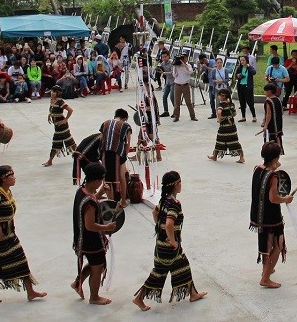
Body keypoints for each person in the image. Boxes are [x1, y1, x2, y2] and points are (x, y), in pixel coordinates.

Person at [132, 171, 207, 310]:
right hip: (169, 247)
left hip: (161, 245)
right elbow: (169, 224)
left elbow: (155, 213)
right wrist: (172, 240)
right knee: (158, 274)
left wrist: (159, 229)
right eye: (179, 182)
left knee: (183, 267)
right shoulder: (174, 203)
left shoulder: (164, 199)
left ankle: (193, 293)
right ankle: (138, 298)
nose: (181, 185)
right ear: (176, 185)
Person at [0, 165, 45, 304]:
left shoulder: (7, 193)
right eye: (12, 176)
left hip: (10, 234)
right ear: (3, 179)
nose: (14, 178)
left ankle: (30, 292)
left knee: (21, 261)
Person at [250, 142, 295, 289]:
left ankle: (266, 269)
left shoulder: (257, 169)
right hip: (271, 216)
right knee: (277, 245)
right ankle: (265, 278)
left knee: (265, 243)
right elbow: (273, 198)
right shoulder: (273, 176)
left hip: (258, 214)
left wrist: (275, 164)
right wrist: (286, 199)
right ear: (275, 158)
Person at [72, 161, 117, 305]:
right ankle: (94, 297)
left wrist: (100, 193)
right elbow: (90, 225)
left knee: (93, 264)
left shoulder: (82, 191)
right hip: (91, 241)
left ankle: (77, 283)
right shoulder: (90, 203)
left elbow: (91, 197)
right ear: (97, 180)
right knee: (97, 268)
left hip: (81, 238)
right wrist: (107, 227)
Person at [100, 109, 133, 206]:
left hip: (105, 153)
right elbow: (127, 143)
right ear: (124, 118)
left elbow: (101, 139)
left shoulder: (105, 123)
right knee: (121, 176)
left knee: (107, 179)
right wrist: (124, 157)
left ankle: (111, 202)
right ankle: (123, 201)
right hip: (117, 153)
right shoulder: (126, 126)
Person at [43, 86, 77, 167]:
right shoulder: (52, 100)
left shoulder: (60, 102)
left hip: (62, 126)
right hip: (57, 126)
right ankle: (81, 155)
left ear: (58, 93)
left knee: (58, 142)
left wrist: (65, 119)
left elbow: (70, 110)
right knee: (69, 142)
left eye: (54, 92)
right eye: (52, 91)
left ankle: (50, 160)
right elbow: (53, 110)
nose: (52, 93)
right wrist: (50, 115)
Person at [208, 88, 244, 163]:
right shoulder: (231, 104)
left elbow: (219, 111)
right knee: (234, 141)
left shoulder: (220, 105)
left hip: (224, 127)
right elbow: (234, 114)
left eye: (219, 96)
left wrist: (219, 119)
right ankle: (242, 157)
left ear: (222, 96)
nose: (218, 97)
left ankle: (214, 156)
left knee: (219, 141)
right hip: (232, 126)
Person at [171, 55, 198, 122]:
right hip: (177, 85)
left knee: (188, 102)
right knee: (177, 102)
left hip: (185, 86)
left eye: (184, 58)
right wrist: (175, 66)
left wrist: (184, 65)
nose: (183, 59)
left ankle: (193, 116)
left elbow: (190, 72)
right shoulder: (176, 66)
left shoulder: (188, 66)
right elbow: (174, 75)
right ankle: (176, 116)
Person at [261, 83, 284, 154]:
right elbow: (281, 112)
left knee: (272, 141)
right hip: (279, 124)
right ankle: (279, 154)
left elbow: (269, 114)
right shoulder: (278, 100)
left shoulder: (268, 101)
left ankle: (273, 158)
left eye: (265, 91)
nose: (265, 93)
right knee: (278, 139)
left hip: (272, 125)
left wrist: (265, 125)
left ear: (269, 91)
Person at [234, 55, 257, 122]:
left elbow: (254, 72)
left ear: (247, 61)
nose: (242, 62)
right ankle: (243, 117)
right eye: (241, 60)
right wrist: (238, 76)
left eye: (243, 60)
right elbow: (236, 76)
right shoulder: (239, 68)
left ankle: (254, 116)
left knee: (250, 102)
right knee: (242, 102)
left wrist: (248, 66)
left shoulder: (249, 67)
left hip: (248, 87)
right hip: (241, 86)